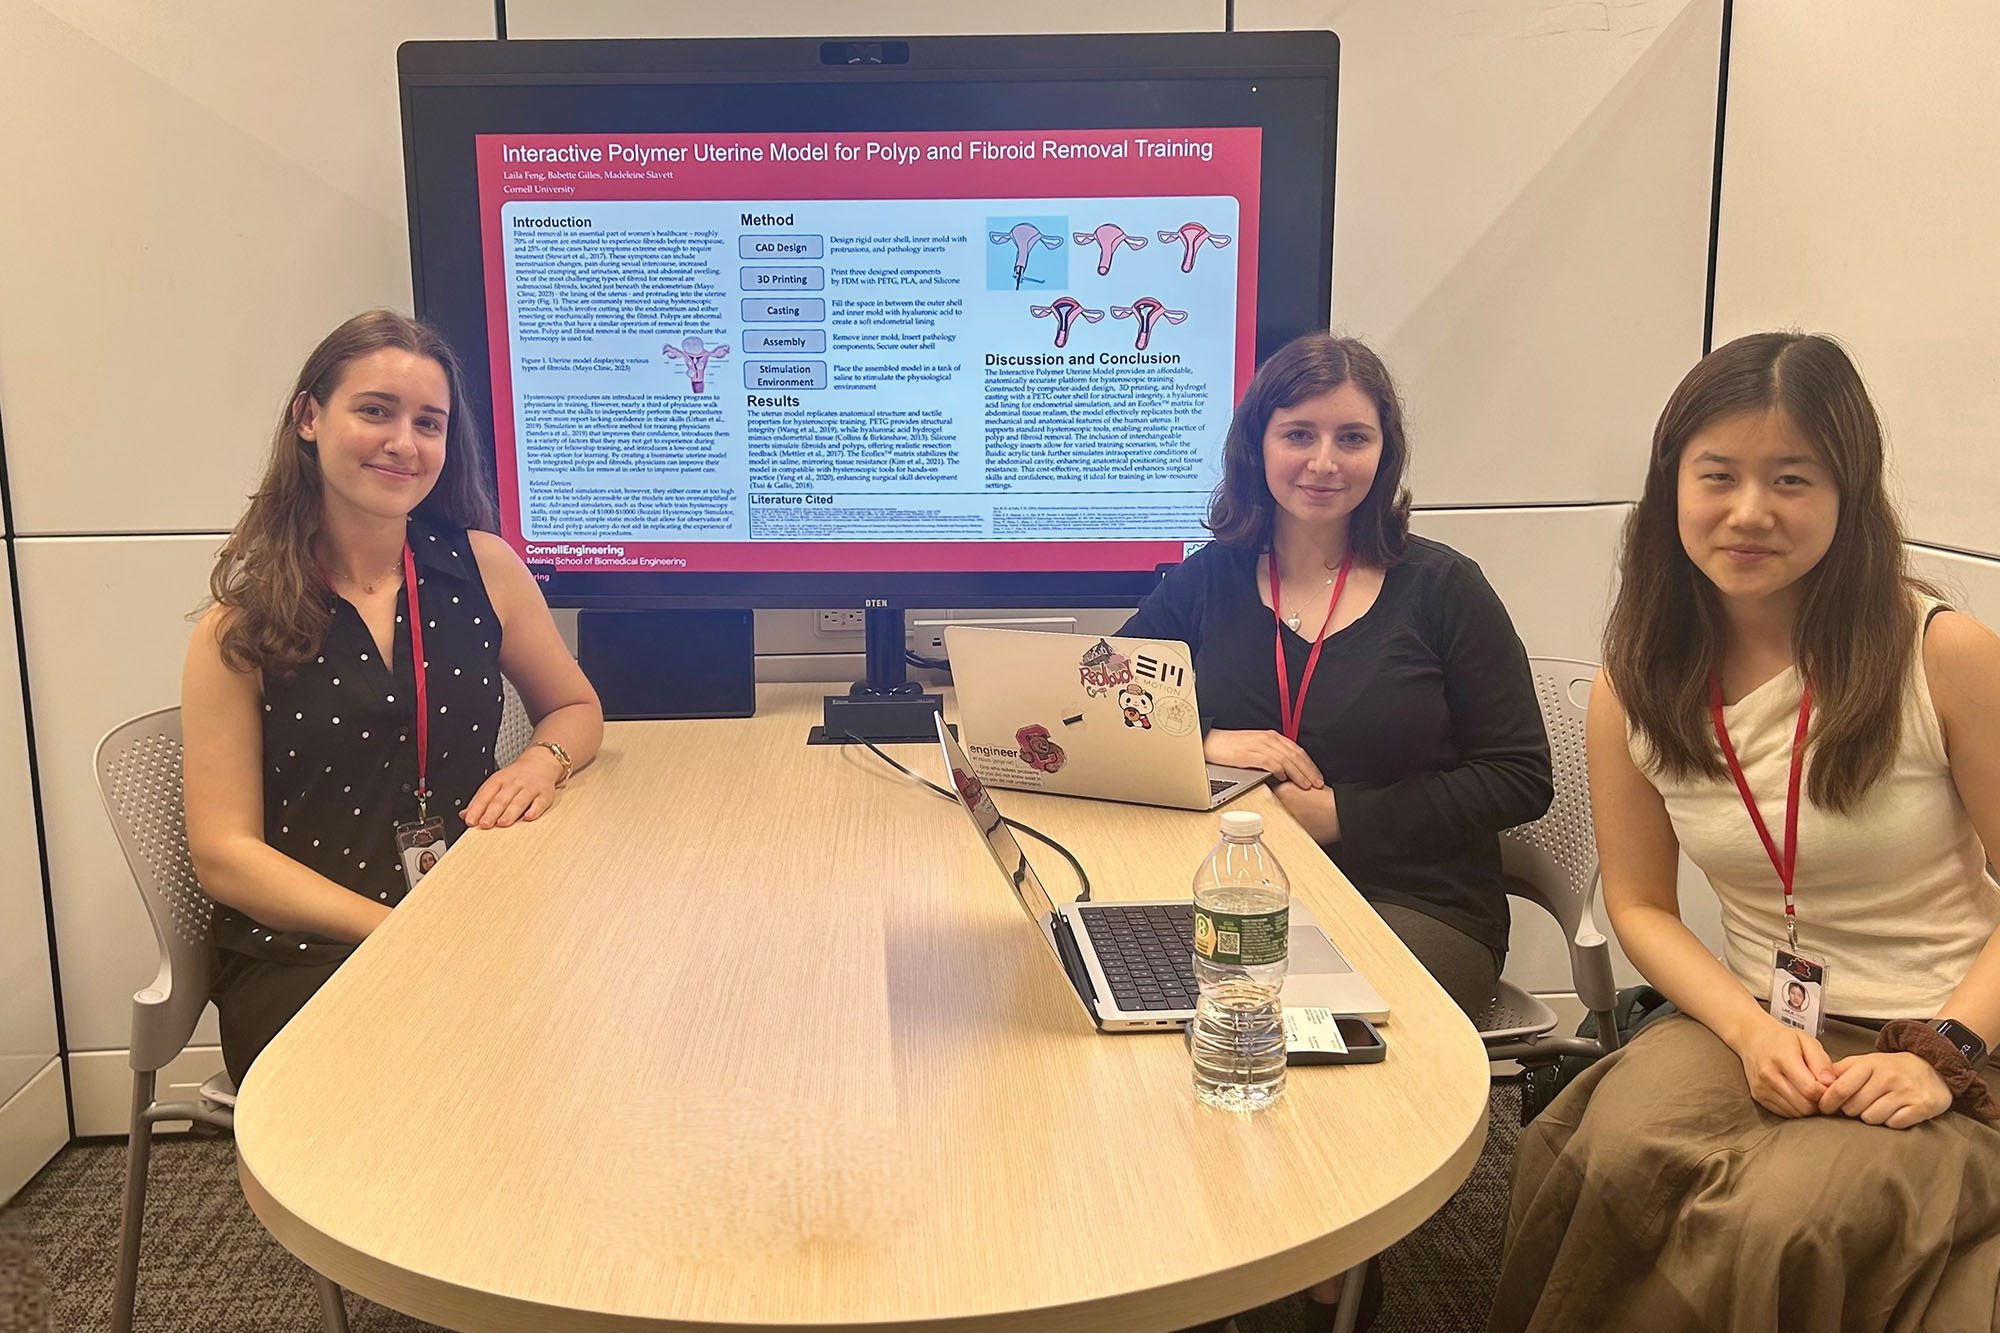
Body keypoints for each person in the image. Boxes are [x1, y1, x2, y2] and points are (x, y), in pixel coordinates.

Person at [1490, 332, 2000, 1331]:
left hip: (1943, 1030)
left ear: (1848, 492)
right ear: (1669, 484)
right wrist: (1745, 1025)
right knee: (1597, 1151)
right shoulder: (1634, 683)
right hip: (1767, 1023)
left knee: (1780, 1220)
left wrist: (1942, 1047)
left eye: (1790, 479)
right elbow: (1637, 902)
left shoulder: (1940, 653)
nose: (1748, 511)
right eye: (1715, 475)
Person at [182, 310, 604, 1087]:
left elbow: (576, 708)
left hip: (474, 912)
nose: (404, 443)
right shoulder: (237, 628)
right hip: (310, 950)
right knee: (457, 1071)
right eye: (375, 411)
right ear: (309, 418)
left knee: (605, 1010)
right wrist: (402, 931)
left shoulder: (483, 568)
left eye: (428, 422)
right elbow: (225, 856)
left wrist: (543, 763)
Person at [1121, 332, 1553, 1017]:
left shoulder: (1444, 588)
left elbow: (1519, 777)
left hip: (1412, 901)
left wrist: (1344, 815)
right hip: (1239, 885)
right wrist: (1203, 738)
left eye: (1352, 438)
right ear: (1257, 444)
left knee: (1256, 1006)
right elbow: (1105, 695)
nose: (1324, 462)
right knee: (1132, 982)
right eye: (1298, 434)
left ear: (1384, 455)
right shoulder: (1210, 577)